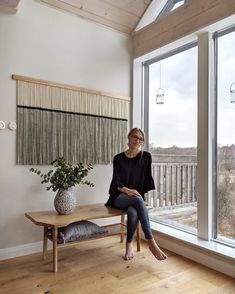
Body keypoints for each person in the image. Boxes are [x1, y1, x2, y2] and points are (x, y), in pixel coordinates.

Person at [106, 128, 168, 261]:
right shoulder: (118, 158)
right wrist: (128, 191)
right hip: (119, 197)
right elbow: (117, 182)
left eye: (140, 139)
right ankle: (151, 242)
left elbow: (146, 179)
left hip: (135, 199)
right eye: (135, 137)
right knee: (137, 201)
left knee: (133, 213)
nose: (137, 140)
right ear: (128, 138)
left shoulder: (146, 157)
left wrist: (140, 199)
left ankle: (129, 244)